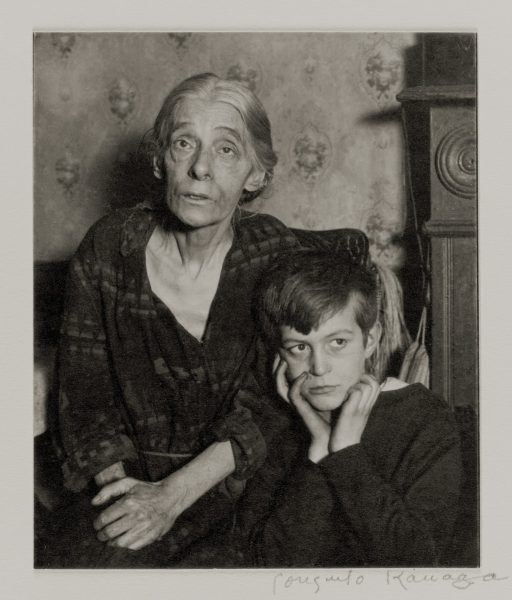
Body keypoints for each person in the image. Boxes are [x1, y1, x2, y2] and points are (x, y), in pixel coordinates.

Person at [42, 72, 321, 567]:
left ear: (256, 175)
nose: (200, 168)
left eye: (226, 150)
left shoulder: (273, 255)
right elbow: (84, 398)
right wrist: (124, 498)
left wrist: (171, 497)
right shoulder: (110, 248)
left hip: (244, 485)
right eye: (184, 143)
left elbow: (272, 404)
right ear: (159, 160)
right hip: (127, 481)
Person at [236, 250, 462, 567]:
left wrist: (345, 452)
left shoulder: (424, 418)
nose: (319, 367)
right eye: (299, 347)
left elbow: (418, 565)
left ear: (370, 341)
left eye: (338, 342)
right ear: (280, 358)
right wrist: (320, 448)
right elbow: (267, 567)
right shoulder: (277, 426)